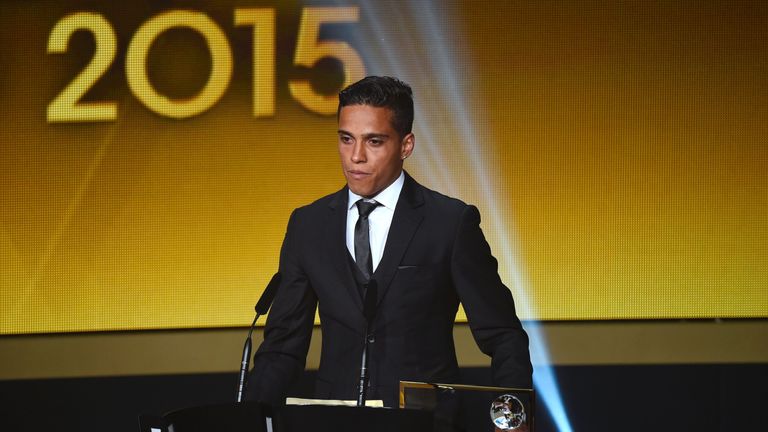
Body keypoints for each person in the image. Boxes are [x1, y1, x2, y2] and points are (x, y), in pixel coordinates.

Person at [247, 76, 532, 410]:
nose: (356, 156)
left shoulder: (450, 223)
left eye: (374, 142)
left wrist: (514, 415)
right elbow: (283, 346)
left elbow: (503, 334)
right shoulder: (308, 225)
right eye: (346, 138)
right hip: (335, 422)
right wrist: (249, 418)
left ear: (406, 145)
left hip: (425, 423)